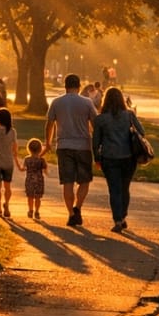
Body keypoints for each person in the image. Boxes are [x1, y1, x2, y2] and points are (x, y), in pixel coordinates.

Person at [45, 73, 98, 227]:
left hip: (64, 146)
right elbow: (95, 123)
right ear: (79, 86)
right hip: (83, 146)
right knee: (84, 181)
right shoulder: (87, 102)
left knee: (67, 182)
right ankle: (78, 208)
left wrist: (47, 142)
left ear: (65, 86)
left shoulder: (56, 102)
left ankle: (71, 214)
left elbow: (49, 124)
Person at [92, 86, 143, 233]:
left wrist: (97, 158)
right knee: (125, 188)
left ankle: (118, 219)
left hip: (109, 157)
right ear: (121, 99)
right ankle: (123, 216)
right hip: (128, 157)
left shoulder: (100, 119)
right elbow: (142, 132)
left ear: (105, 100)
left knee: (114, 189)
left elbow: (96, 141)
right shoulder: (129, 115)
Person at [24, 138, 48, 219]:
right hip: (39, 180)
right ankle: (37, 211)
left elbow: (23, 168)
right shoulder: (41, 160)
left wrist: (16, 160)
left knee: (30, 197)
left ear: (29, 148)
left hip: (29, 180)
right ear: (40, 149)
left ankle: (30, 210)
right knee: (38, 197)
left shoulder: (27, 159)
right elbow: (45, 170)